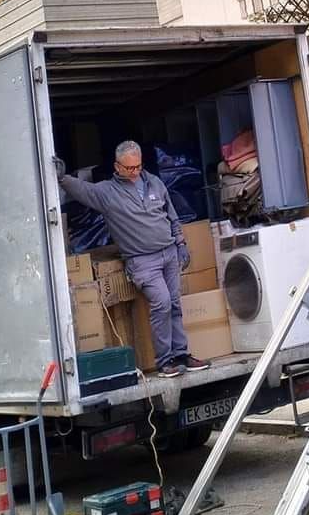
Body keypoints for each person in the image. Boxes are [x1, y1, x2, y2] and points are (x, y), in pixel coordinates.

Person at [56, 141, 209, 378]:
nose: (135, 172)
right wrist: (62, 178)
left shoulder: (155, 182)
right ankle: (164, 361)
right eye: (129, 168)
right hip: (142, 261)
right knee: (162, 303)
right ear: (117, 166)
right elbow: (83, 190)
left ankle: (181, 355)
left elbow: (171, 215)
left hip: (169, 253)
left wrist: (181, 244)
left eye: (138, 166)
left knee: (175, 303)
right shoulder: (107, 193)